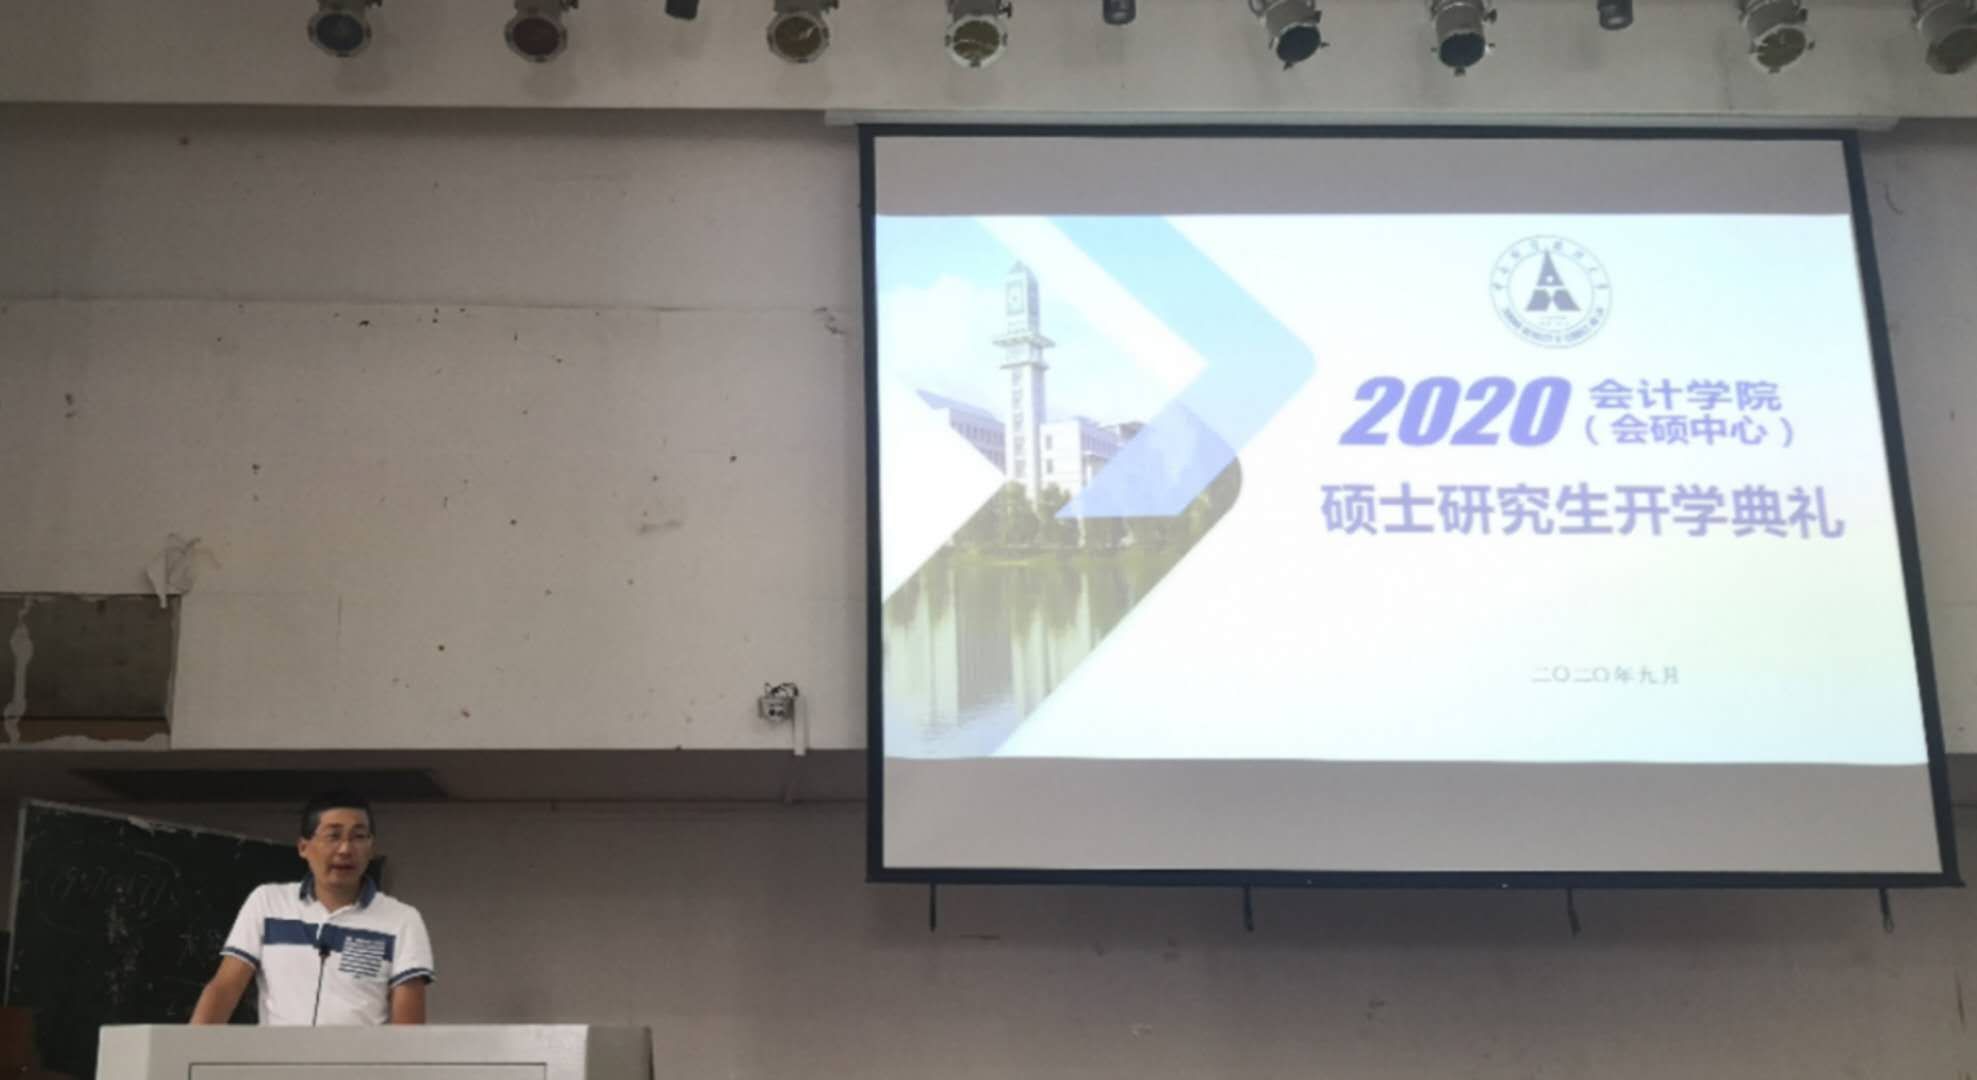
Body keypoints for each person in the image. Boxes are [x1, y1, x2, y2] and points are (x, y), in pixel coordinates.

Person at [189, 790, 435, 1026]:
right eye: (333, 836)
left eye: (359, 837)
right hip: (277, 1055)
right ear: (303, 847)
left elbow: (408, 1029)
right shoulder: (268, 902)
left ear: (371, 848)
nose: (345, 849)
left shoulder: (401, 920)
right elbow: (226, 987)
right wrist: (188, 1048)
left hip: (358, 1056)